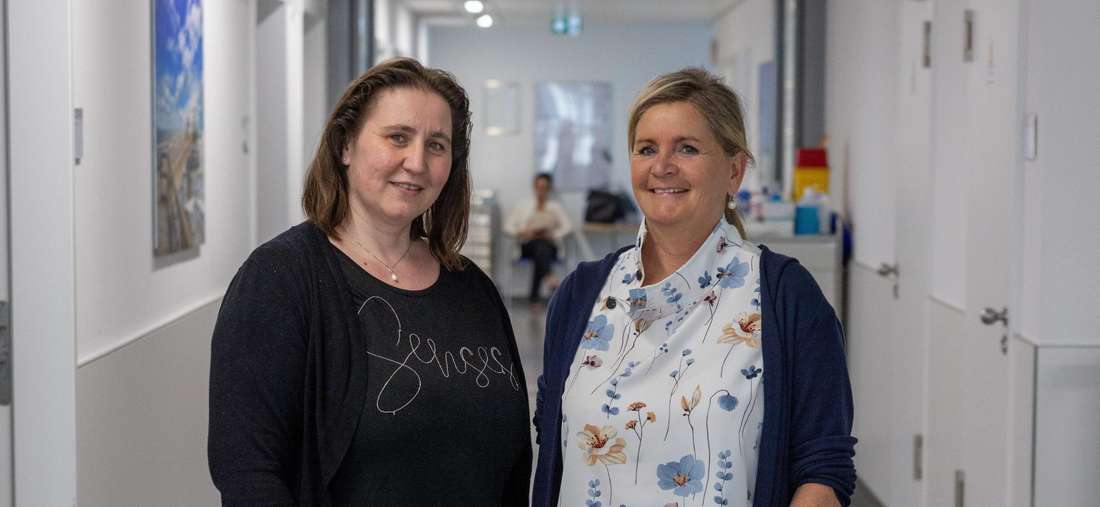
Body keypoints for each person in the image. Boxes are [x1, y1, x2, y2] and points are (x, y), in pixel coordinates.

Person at [208, 58, 531, 505]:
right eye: (398, 137)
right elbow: (248, 470)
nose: (416, 162)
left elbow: (511, 462)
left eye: (437, 145)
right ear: (345, 145)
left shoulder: (471, 287)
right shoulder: (279, 280)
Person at [532, 68, 856, 507]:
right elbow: (554, 439)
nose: (662, 166)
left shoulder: (784, 297)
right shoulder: (580, 295)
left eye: (686, 148)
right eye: (647, 149)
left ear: (734, 171)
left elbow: (823, 467)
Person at [504, 172, 573, 309]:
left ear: (549, 189)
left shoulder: (555, 207)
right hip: (527, 246)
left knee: (541, 248)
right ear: (534, 187)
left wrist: (553, 234)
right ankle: (549, 277)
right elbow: (507, 227)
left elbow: (568, 227)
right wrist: (523, 232)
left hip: (548, 245)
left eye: (545, 188)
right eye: (539, 187)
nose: (541, 191)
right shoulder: (523, 206)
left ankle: (535, 297)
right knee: (539, 247)